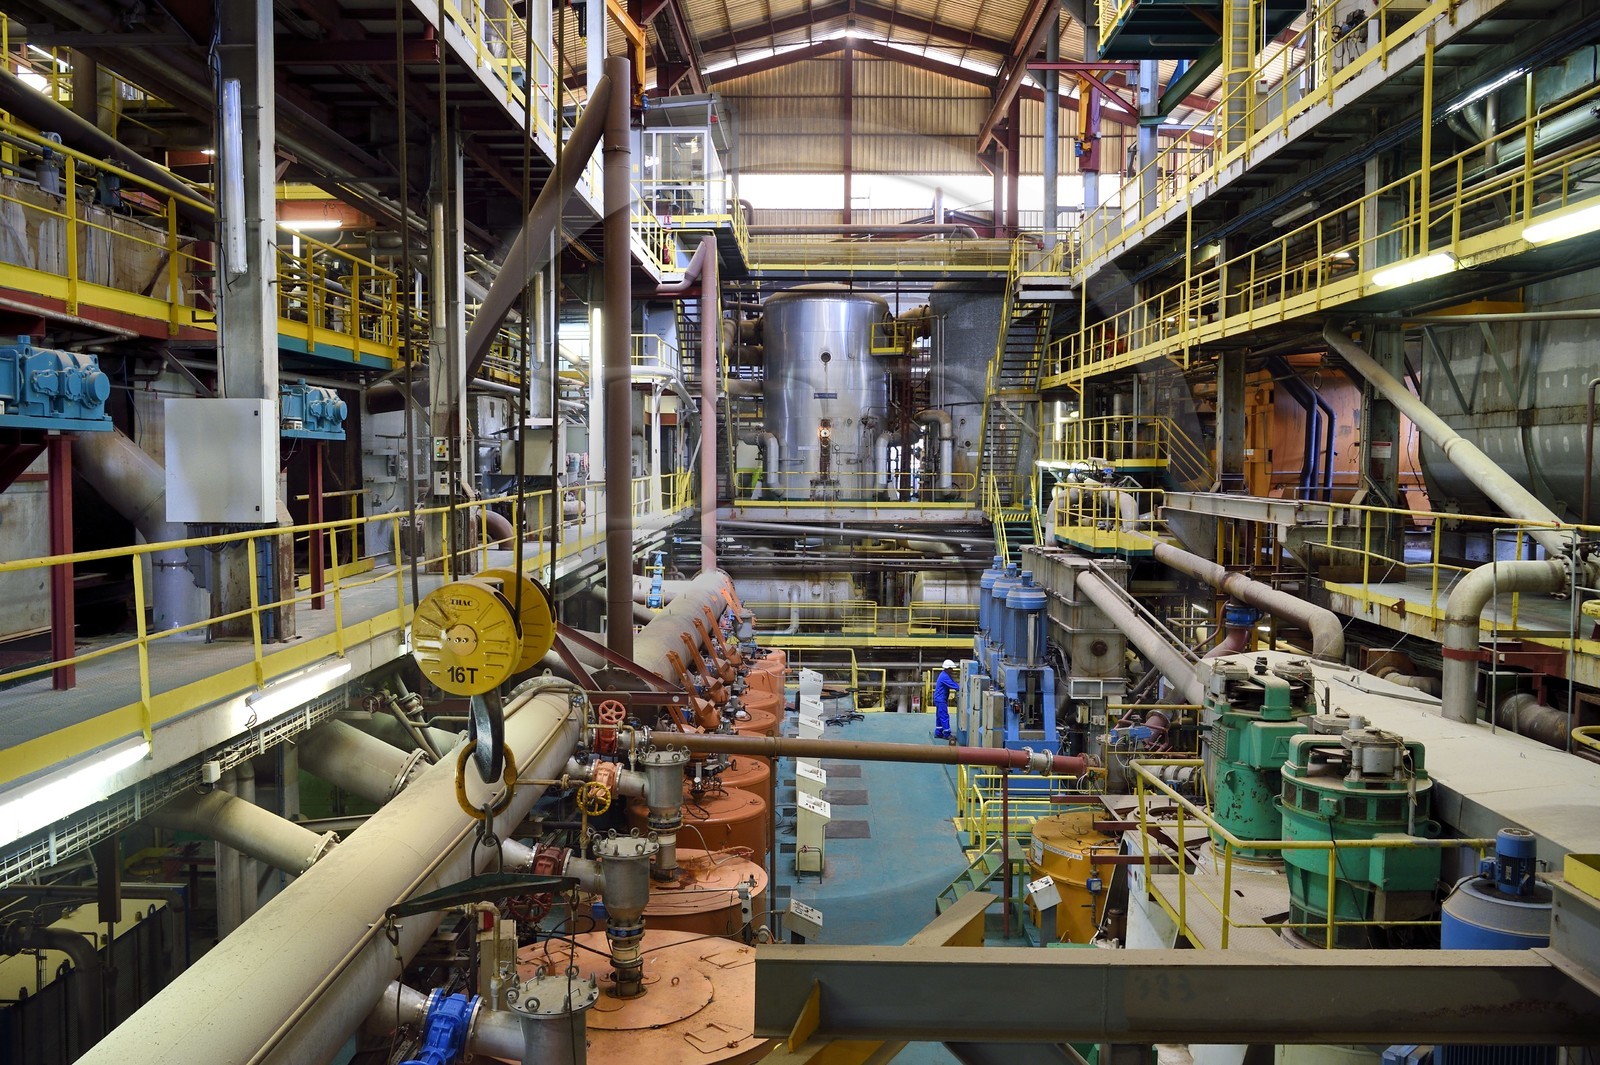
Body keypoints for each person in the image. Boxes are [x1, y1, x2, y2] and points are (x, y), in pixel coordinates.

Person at [933, 659, 959, 740]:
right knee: (944, 715)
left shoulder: (944, 674)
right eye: (951, 669)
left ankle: (938, 732)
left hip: (938, 698)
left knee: (939, 716)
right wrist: (963, 688)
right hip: (941, 700)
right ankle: (947, 734)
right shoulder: (945, 677)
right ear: (948, 668)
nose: (953, 670)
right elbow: (955, 686)